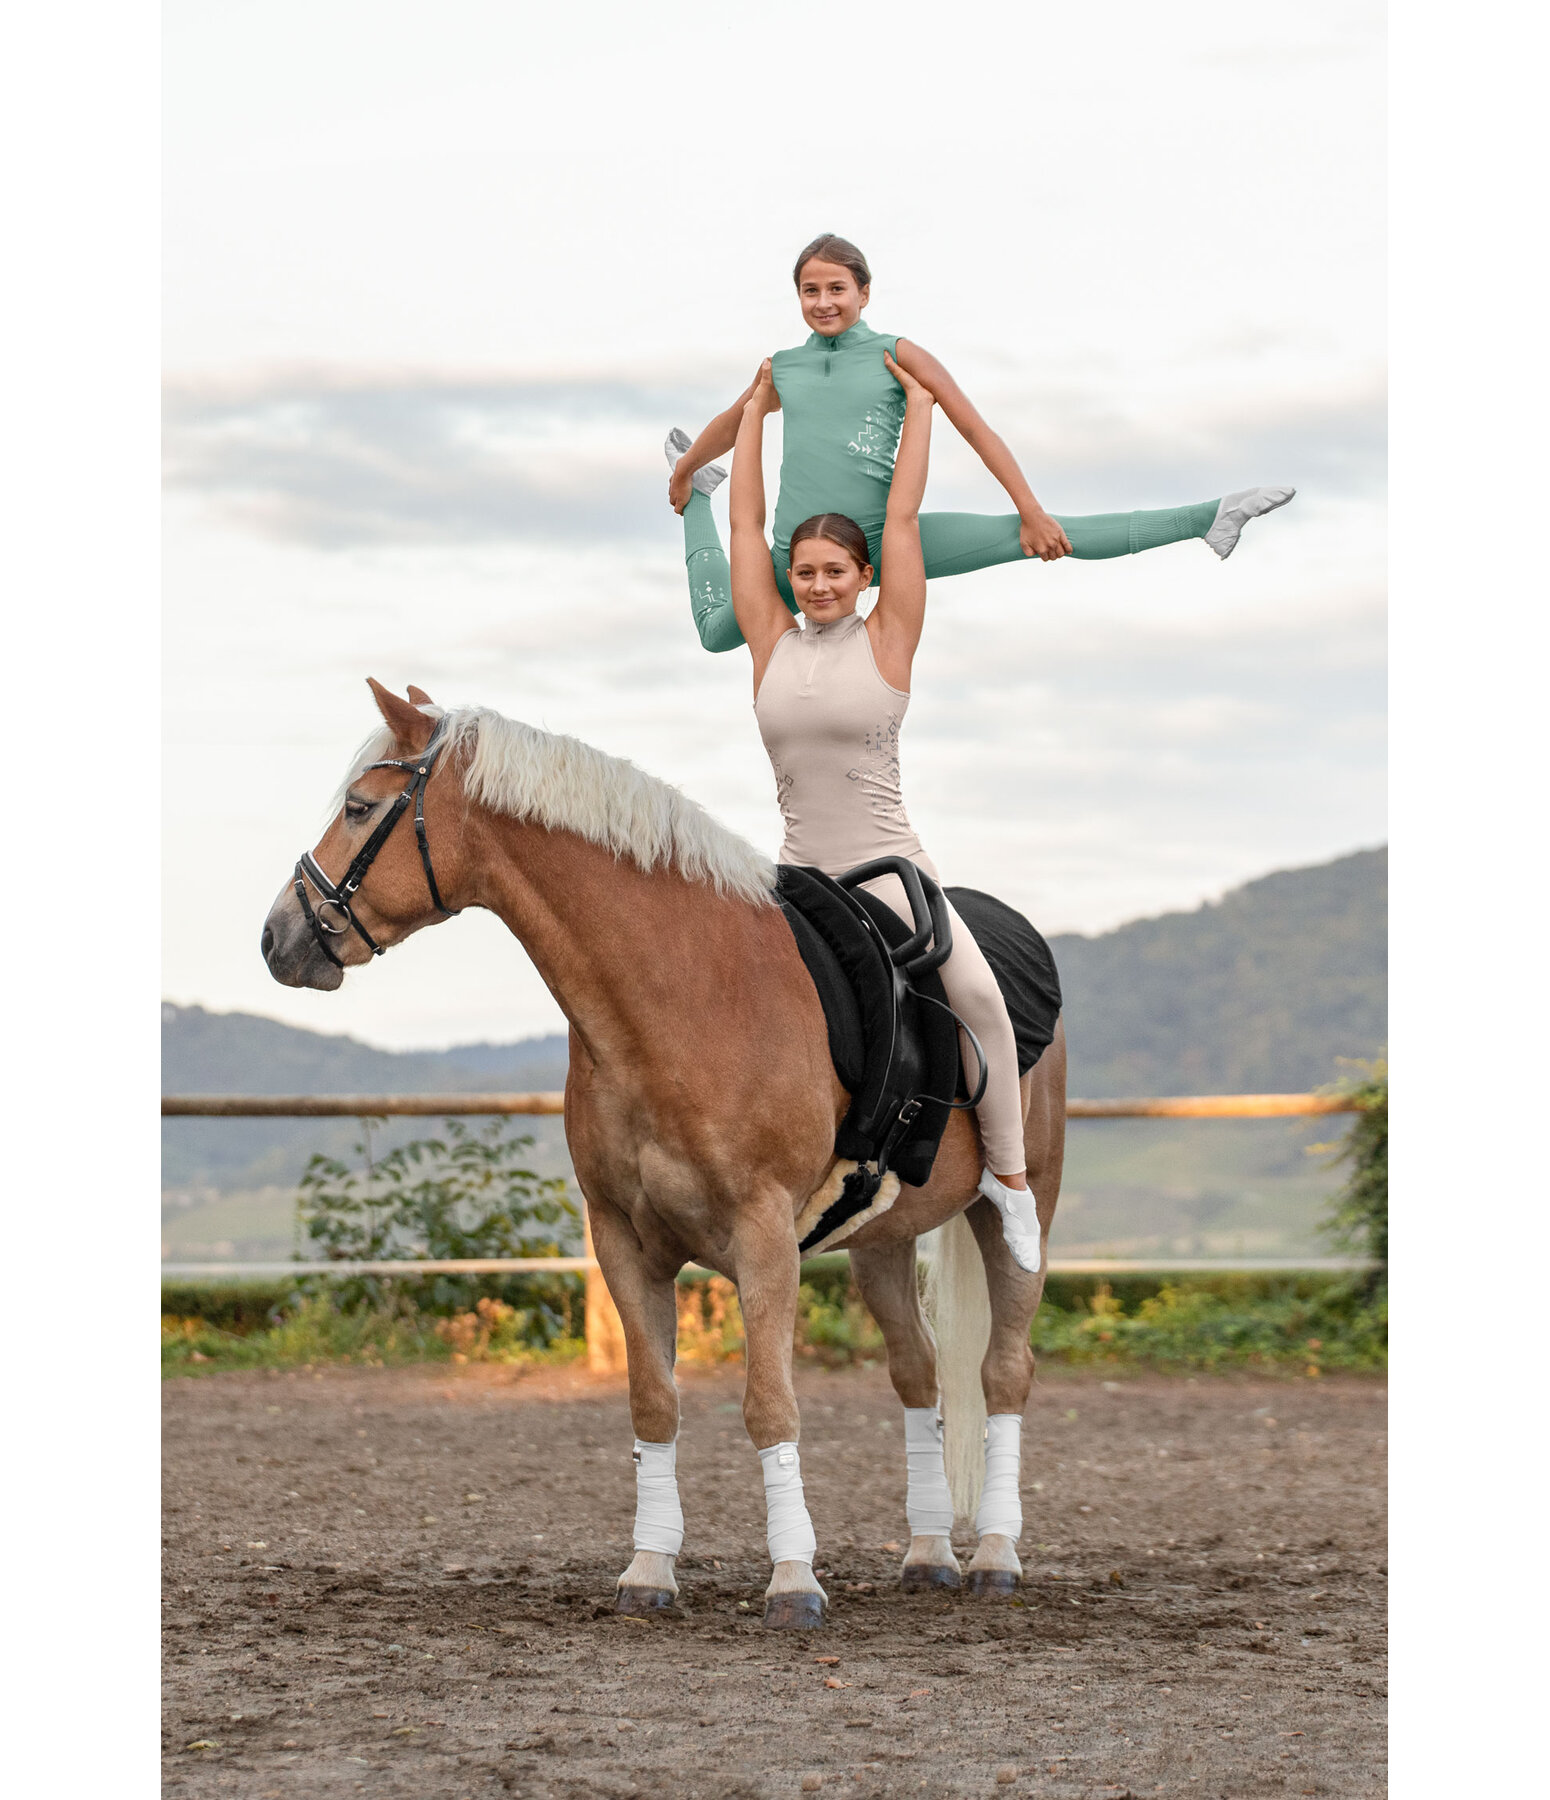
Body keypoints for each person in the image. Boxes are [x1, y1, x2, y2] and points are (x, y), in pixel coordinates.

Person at [728, 348, 1042, 1272]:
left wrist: (921, 409)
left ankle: (1011, 1184)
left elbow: (901, 515)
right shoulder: (770, 641)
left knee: (978, 993)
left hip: (888, 869)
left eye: (834, 570)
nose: (818, 584)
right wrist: (754, 411)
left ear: (863, 577)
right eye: (806, 571)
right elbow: (744, 522)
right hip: (797, 876)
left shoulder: (888, 637)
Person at [668, 232, 1294, 653]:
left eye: (838, 289)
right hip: (801, 556)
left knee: (1038, 538)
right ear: (798, 297)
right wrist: (688, 469)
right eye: (811, 290)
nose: (824, 302)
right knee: (718, 632)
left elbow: (974, 427)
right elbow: (735, 418)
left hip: (889, 539)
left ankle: (1209, 517)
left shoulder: (897, 354)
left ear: (864, 292)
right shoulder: (784, 366)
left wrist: (1029, 507)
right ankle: (700, 499)